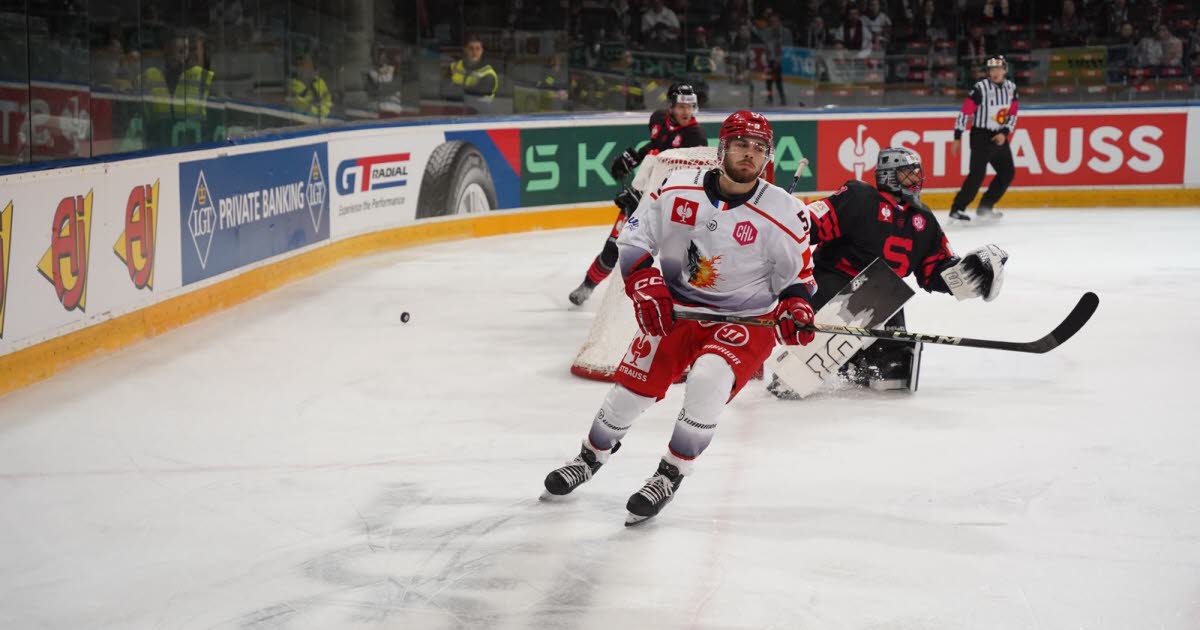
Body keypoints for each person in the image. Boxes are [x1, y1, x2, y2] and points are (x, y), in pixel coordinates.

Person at [544, 111, 818, 526]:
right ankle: (590, 457)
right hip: (677, 311)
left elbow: (799, 279)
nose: (750, 154)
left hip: (745, 320)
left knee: (708, 377)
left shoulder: (786, 212)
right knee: (629, 394)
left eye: (759, 148)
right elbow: (634, 239)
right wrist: (642, 282)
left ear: (768, 157)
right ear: (722, 147)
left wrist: (796, 310)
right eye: (742, 144)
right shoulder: (674, 188)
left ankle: (670, 473)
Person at [769, 147, 1009, 397]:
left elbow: (934, 269)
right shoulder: (859, 197)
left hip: (882, 299)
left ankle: (856, 361)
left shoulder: (924, 221)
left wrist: (967, 274)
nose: (916, 179)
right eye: (908, 174)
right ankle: (798, 364)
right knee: (790, 382)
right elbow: (813, 223)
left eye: (917, 174)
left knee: (896, 371)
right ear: (888, 175)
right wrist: (788, 222)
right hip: (831, 286)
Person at [567, 83, 706, 306]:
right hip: (641, 197)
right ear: (671, 106)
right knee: (612, 249)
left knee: (666, 258)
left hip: (668, 207)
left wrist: (646, 198)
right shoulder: (659, 119)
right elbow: (655, 148)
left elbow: (686, 181)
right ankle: (587, 286)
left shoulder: (695, 137)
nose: (686, 112)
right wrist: (631, 161)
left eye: (690, 107)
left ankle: (674, 302)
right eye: (681, 106)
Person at [949, 55, 1018, 222]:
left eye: (998, 69)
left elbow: (1013, 113)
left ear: (1005, 70)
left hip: (999, 135)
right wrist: (958, 136)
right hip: (981, 136)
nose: (995, 72)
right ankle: (957, 209)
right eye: (992, 69)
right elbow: (965, 112)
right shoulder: (980, 88)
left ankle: (985, 207)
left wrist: (1004, 133)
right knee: (977, 175)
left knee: (1007, 172)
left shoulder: (1011, 88)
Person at [141, 29, 213, 149]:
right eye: (181, 50)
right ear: (165, 50)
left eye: (191, 49)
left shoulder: (205, 82)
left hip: (199, 150)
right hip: (156, 150)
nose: (186, 55)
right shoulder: (154, 80)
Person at [447, 34, 499, 113]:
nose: (474, 52)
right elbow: (444, 91)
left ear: (482, 51)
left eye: (478, 49)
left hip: (480, 116)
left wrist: (455, 87)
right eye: (471, 48)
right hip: (454, 111)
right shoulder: (454, 66)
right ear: (465, 50)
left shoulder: (488, 74)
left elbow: (473, 95)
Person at [288, 53, 333, 119]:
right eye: (302, 65)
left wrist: (325, 113)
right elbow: (298, 105)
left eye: (310, 65)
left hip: (324, 119)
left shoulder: (319, 81)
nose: (307, 68)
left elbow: (327, 100)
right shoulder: (293, 84)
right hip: (303, 120)